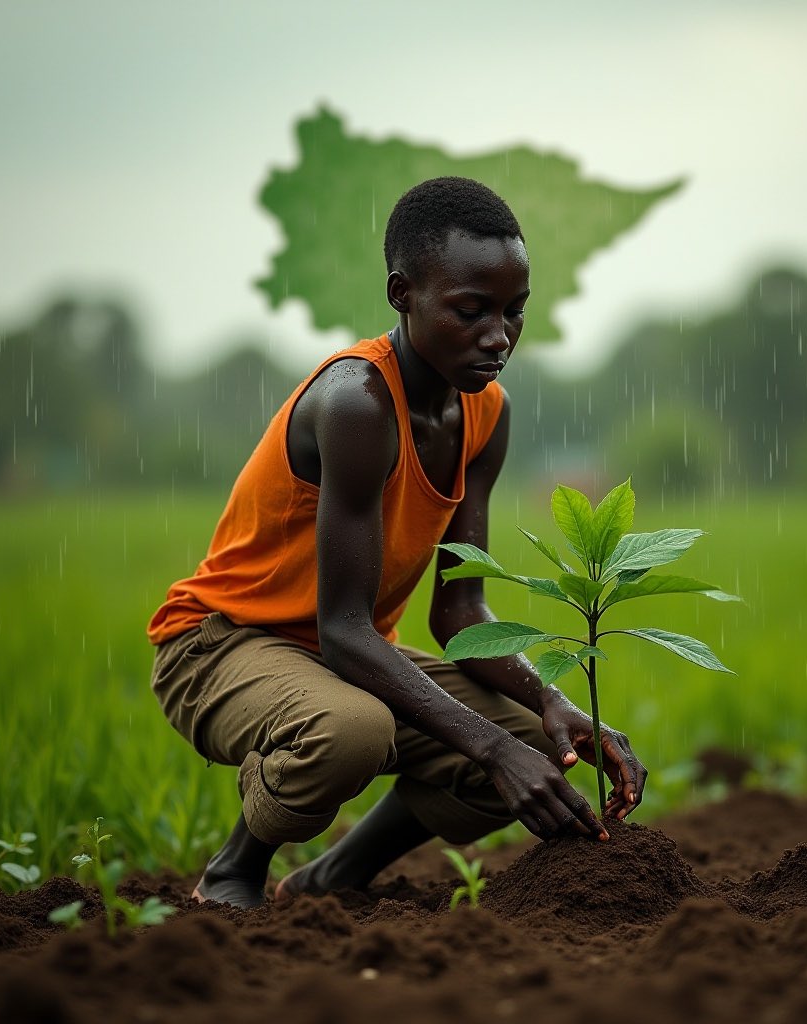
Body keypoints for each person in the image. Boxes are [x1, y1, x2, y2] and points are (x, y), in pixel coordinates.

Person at [147, 176, 647, 909]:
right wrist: (490, 746)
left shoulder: (486, 414)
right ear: (401, 294)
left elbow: (459, 614)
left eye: (514, 312)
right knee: (355, 731)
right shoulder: (356, 404)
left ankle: (332, 877)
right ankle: (235, 867)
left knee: (543, 751)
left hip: (337, 652)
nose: (498, 336)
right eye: (470, 311)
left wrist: (552, 702)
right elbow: (345, 631)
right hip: (221, 645)